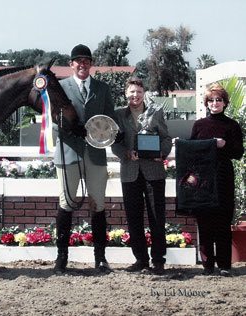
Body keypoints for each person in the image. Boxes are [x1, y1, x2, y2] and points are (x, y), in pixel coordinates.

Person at [53, 44, 116, 273]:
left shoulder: (102, 88)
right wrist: (72, 129)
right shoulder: (60, 87)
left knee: (98, 204)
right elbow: (54, 119)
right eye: (78, 60)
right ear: (71, 64)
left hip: (95, 154)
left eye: (86, 60)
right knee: (66, 204)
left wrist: (112, 135)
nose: (82, 64)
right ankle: (61, 257)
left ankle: (100, 257)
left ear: (90, 64)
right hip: (68, 152)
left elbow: (109, 119)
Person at [111, 77, 172, 275]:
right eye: (131, 92)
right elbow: (114, 143)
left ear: (144, 92)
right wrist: (125, 153)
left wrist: (161, 154)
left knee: (156, 217)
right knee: (134, 218)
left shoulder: (156, 111)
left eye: (138, 91)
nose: (135, 95)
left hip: (153, 172)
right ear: (125, 94)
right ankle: (140, 260)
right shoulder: (118, 115)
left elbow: (165, 138)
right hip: (130, 172)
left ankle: (158, 260)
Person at [190, 83, 244, 277]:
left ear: (224, 103)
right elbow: (190, 151)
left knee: (222, 222)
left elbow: (238, 153)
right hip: (203, 180)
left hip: (223, 178)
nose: (215, 103)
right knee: (204, 223)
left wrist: (225, 144)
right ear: (206, 103)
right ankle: (207, 265)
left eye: (218, 100)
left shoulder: (232, 125)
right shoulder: (199, 125)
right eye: (211, 100)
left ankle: (224, 265)